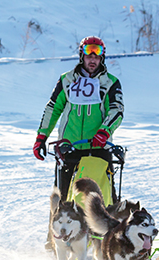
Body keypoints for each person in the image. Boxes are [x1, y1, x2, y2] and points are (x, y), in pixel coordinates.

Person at [33, 36, 124, 202]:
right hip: (69, 146)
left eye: (97, 56)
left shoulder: (110, 83)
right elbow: (53, 109)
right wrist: (41, 137)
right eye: (89, 55)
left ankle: (109, 227)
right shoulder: (66, 80)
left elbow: (116, 111)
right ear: (82, 56)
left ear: (102, 58)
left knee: (106, 201)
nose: (93, 60)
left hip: (99, 147)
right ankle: (55, 228)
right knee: (62, 201)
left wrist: (104, 132)